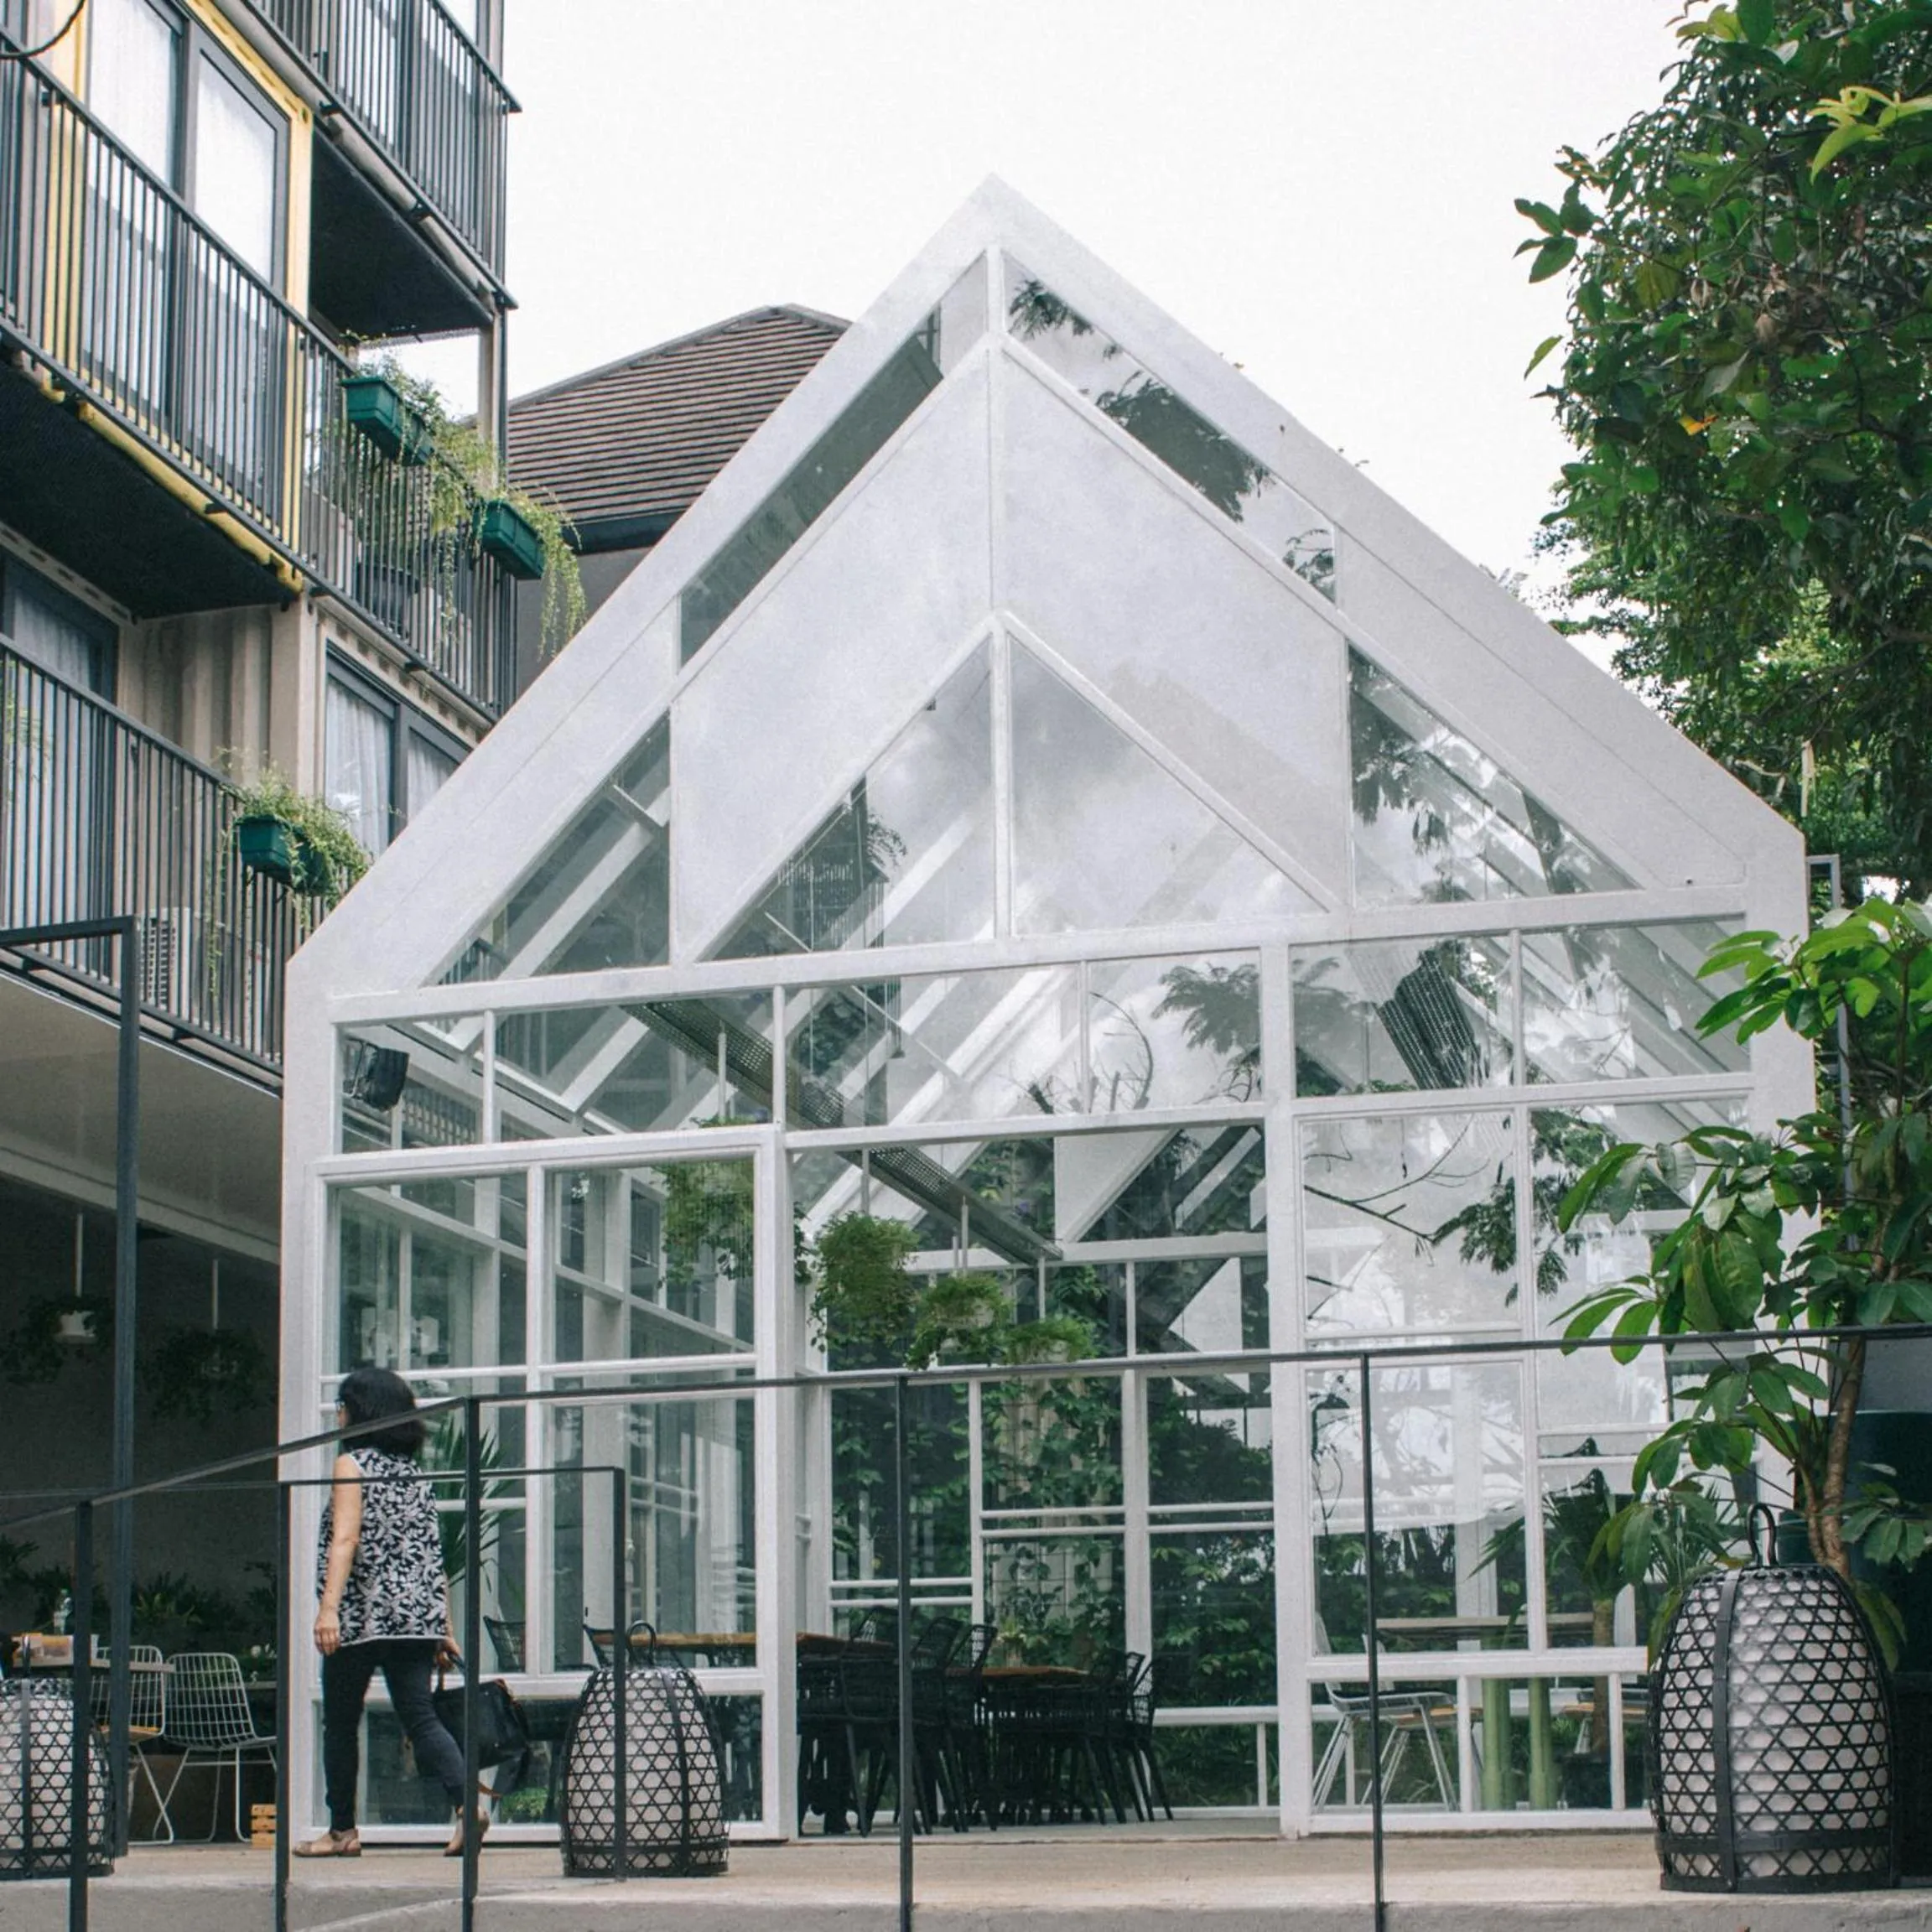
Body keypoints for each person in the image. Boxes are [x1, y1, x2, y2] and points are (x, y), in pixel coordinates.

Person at [295, 1366, 483, 1858]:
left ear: (360, 1410)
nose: (338, 1414)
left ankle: (342, 1832)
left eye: (342, 1405)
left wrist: (328, 1609)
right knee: (419, 1716)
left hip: (362, 1615)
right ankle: (466, 1804)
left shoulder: (352, 1464)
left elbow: (346, 1539)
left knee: (340, 1721)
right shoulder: (415, 1474)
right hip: (415, 1616)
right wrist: (443, 1627)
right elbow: (429, 1552)